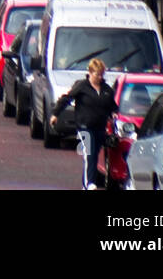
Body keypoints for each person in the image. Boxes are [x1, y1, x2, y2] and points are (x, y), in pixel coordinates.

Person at [50, 58, 118, 190]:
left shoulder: (107, 90)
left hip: (100, 128)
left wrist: (114, 113)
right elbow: (66, 99)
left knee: (94, 155)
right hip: (84, 128)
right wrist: (55, 114)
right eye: (96, 74)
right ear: (90, 72)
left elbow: (112, 106)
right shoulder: (82, 86)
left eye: (101, 74)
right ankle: (90, 184)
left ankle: (85, 184)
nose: (99, 77)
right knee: (89, 153)